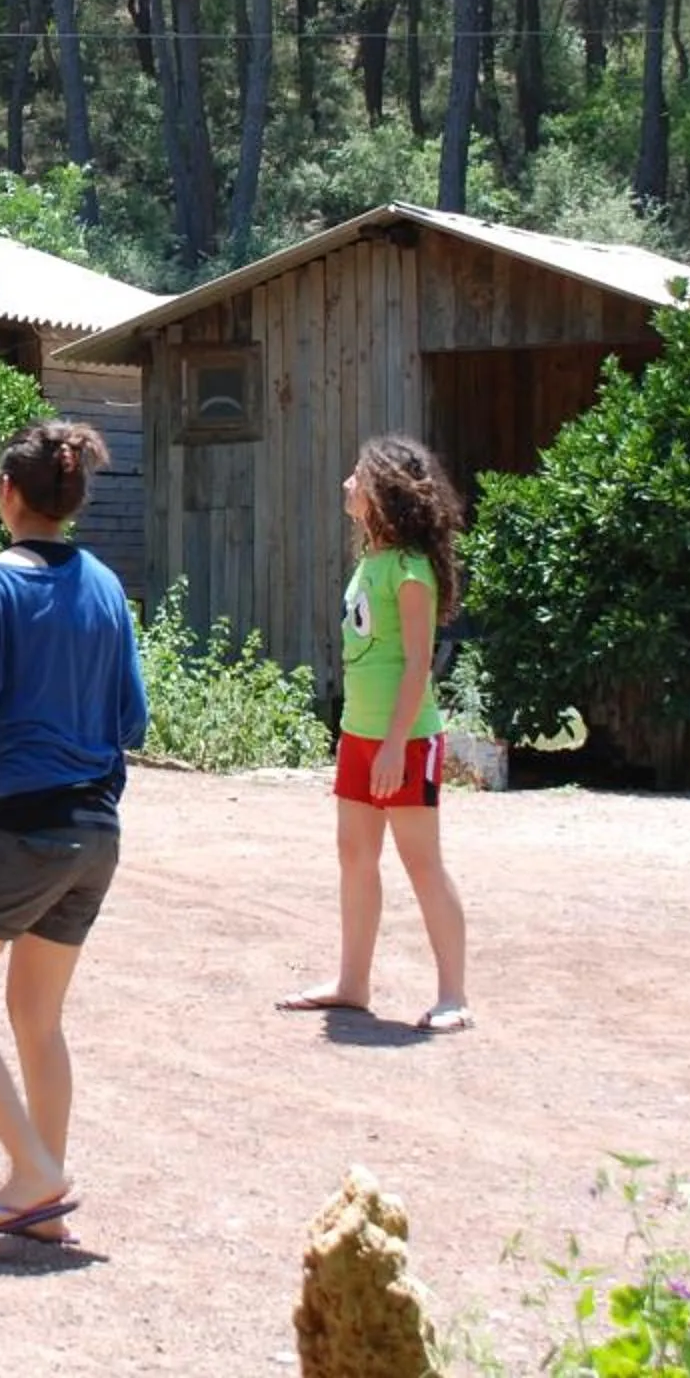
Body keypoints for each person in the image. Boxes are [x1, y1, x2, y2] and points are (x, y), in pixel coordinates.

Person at [0, 421, 149, 1244]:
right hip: (96, 832)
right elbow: (133, 720)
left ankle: (35, 1172)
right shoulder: (108, 586)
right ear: (72, 499)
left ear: (10, 494)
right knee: (37, 1017)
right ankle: (43, 1203)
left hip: (25, 829)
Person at [276, 433, 472, 1034]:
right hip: (362, 736)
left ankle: (453, 995)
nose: (347, 486)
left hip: (405, 740)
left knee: (421, 863)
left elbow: (419, 663)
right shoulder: (373, 561)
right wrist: (360, 739)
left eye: (356, 477)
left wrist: (392, 745)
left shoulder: (410, 571)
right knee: (354, 857)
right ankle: (352, 983)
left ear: (383, 492)